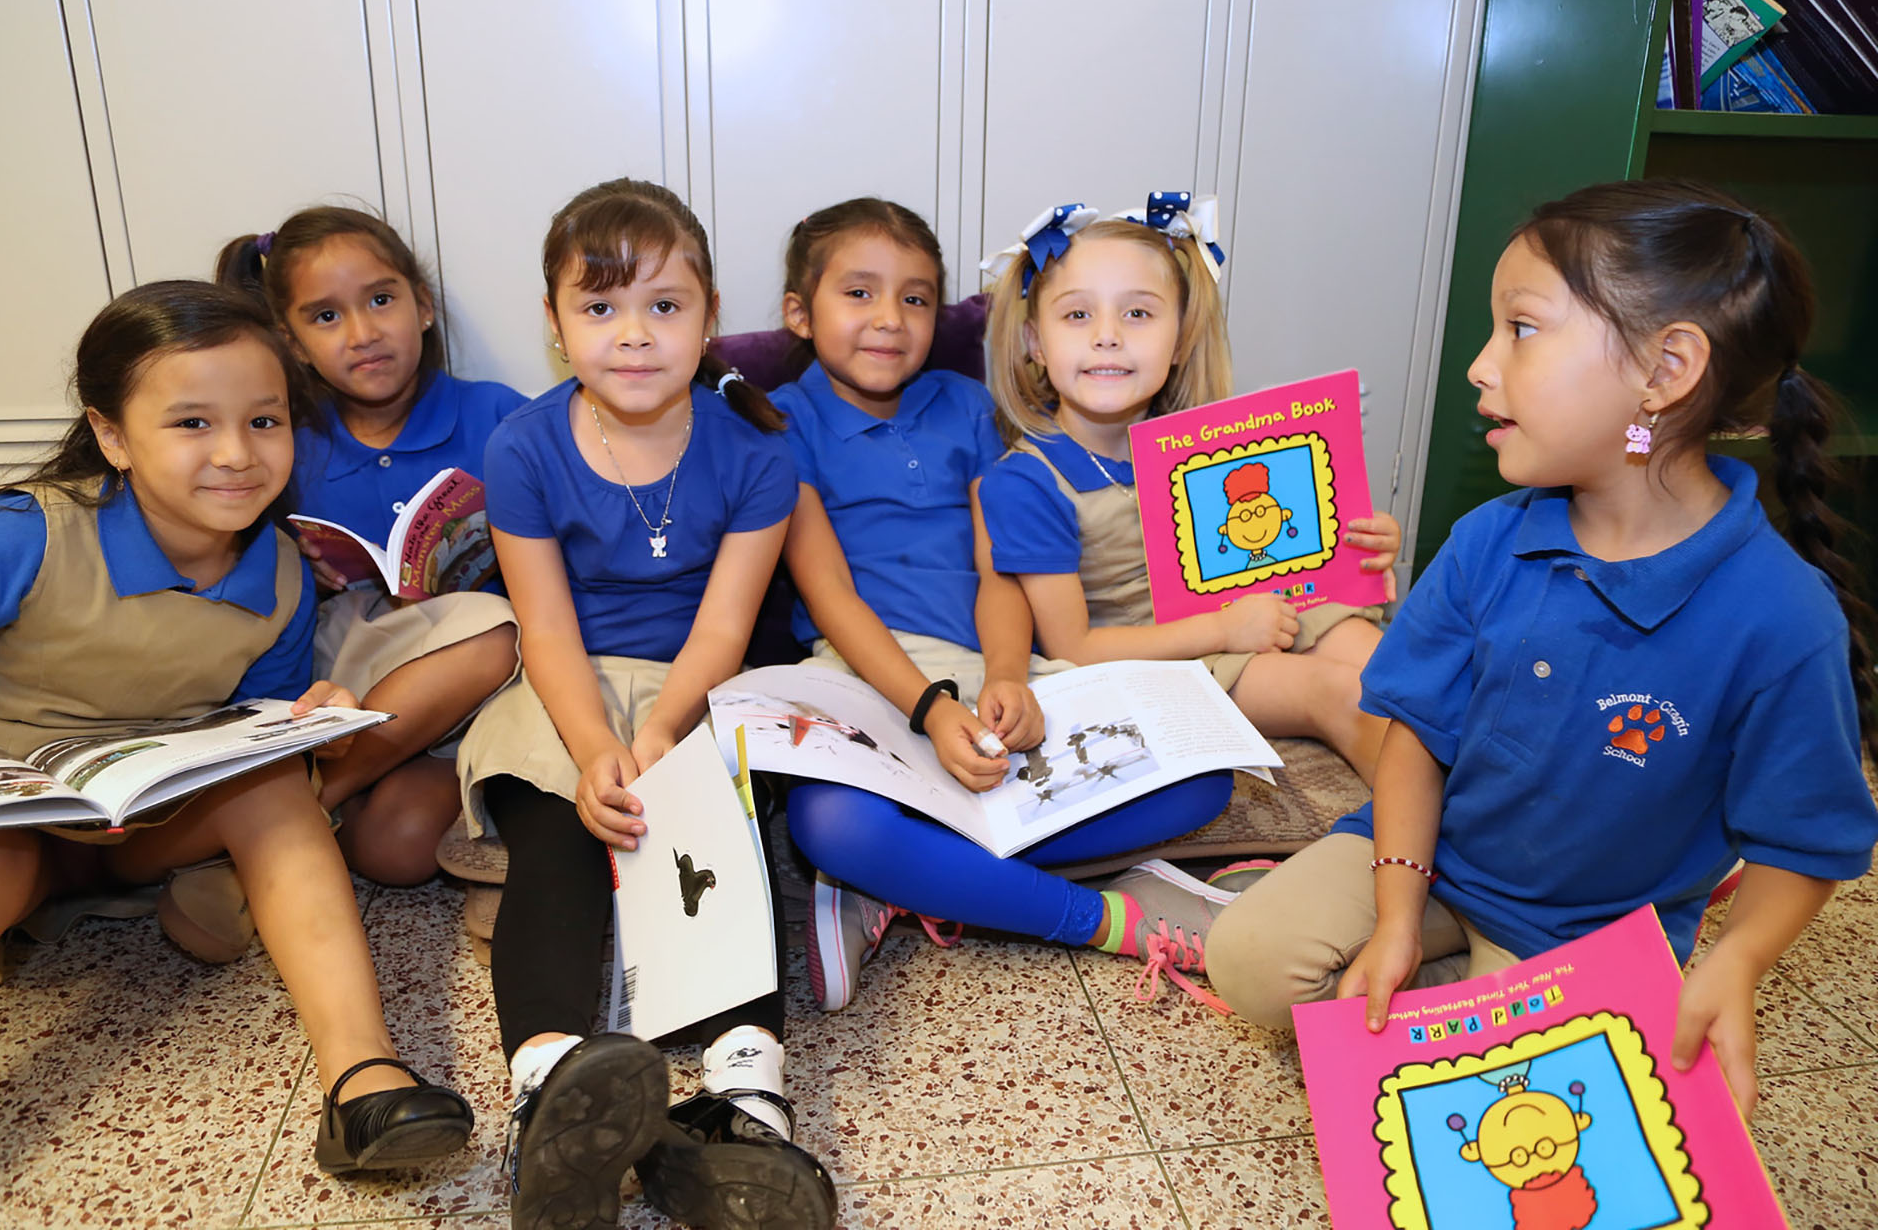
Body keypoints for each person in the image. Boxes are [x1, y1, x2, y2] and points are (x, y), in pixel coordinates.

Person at [1205, 179, 1878, 1122]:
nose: (1479, 368)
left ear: (1665, 370)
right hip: (1430, 858)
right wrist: (1397, 916)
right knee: (1246, 962)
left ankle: (1512, 985)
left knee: (1523, 1115)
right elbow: (1415, 738)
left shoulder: (1781, 618)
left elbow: (1809, 841)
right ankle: (1449, 968)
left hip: (1585, 929)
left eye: (1520, 329)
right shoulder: (1488, 537)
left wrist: (1738, 959)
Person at [0, 281, 473, 1174]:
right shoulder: (22, 535)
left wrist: (306, 724)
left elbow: (248, 720)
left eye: (264, 422)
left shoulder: (278, 574)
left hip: (140, 824)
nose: (236, 455)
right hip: (0, 825)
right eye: (192, 424)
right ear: (113, 435)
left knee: (272, 785)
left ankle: (363, 1082)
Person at [455, 179, 835, 1230]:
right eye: (601, 307)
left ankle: (743, 1100)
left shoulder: (757, 454)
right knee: (560, 837)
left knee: (719, 834)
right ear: (555, 323)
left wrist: (666, 733)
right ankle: (548, 1087)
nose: (633, 335)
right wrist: (591, 749)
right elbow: (544, 626)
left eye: (664, 307)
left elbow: (722, 628)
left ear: (710, 318)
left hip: (698, 681)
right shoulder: (523, 448)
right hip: (569, 676)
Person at [771, 197, 1245, 1013]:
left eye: (915, 299)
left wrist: (1007, 678)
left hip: (999, 660)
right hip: (870, 672)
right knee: (830, 829)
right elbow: (831, 596)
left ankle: (907, 882)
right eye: (859, 293)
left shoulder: (969, 405)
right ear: (798, 315)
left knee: (1206, 781)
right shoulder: (782, 422)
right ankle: (1106, 918)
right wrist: (927, 707)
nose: (890, 320)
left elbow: (1001, 576)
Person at [977, 194, 1403, 790]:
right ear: (1035, 345)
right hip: (1164, 662)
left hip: (1247, 612)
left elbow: (1276, 541)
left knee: (1388, 665)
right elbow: (1076, 646)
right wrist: (1227, 631)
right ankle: (1432, 839)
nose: (1107, 337)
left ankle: (1493, 791)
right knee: (1334, 694)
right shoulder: (1025, 481)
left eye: (1138, 314)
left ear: (1180, 341)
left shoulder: (1205, 444)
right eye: (1077, 316)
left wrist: (1359, 547)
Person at [216, 208, 522, 901]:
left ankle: (299, 818)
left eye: (381, 300)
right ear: (292, 344)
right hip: (347, 680)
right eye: (325, 317)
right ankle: (308, 805)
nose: (362, 333)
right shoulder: (290, 443)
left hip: (472, 694)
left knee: (399, 851)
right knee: (486, 634)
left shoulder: (498, 414)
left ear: (423, 306)